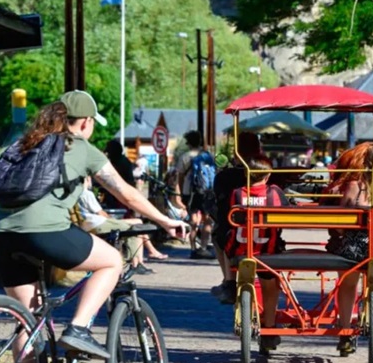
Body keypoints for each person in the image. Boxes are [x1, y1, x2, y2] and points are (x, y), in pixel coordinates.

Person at [0, 91, 187, 363]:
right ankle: (79, 329)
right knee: (111, 261)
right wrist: (165, 221)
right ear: (84, 122)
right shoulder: (80, 147)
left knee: (27, 321)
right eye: (92, 122)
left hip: (1, 233)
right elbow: (126, 193)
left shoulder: (25, 143)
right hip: (45, 231)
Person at [326, 142, 373, 354]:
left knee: (348, 285)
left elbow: (340, 222)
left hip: (354, 249)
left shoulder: (353, 186)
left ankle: (345, 332)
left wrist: (341, 234)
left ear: (364, 163)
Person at [224, 155, 289, 353]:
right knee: (271, 287)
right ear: (268, 176)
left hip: (241, 253)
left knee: (225, 243)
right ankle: (269, 326)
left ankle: (229, 281)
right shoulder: (274, 193)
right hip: (267, 254)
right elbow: (286, 213)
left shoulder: (236, 193)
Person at [211, 132, 264, 304]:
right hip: (266, 235)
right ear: (258, 150)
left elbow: (220, 206)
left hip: (234, 234)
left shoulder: (225, 177)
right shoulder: (267, 176)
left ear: (236, 152)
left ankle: (229, 282)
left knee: (220, 233)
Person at [78, 177, 168, 274]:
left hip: (89, 224)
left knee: (138, 222)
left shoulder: (74, 195)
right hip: (98, 224)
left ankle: (147, 255)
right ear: (86, 180)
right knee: (135, 228)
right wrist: (113, 220)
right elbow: (100, 213)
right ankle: (137, 263)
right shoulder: (86, 194)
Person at [176, 130, 215, 259]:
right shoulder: (207, 155)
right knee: (207, 220)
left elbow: (180, 176)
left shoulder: (185, 156)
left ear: (188, 143)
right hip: (206, 192)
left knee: (193, 221)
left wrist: (181, 192)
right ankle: (203, 247)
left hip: (190, 192)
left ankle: (193, 249)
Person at [102, 140, 136, 210]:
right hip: (116, 196)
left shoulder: (122, 163)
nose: (108, 155)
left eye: (109, 153)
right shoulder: (118, 162)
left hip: (122, 197)